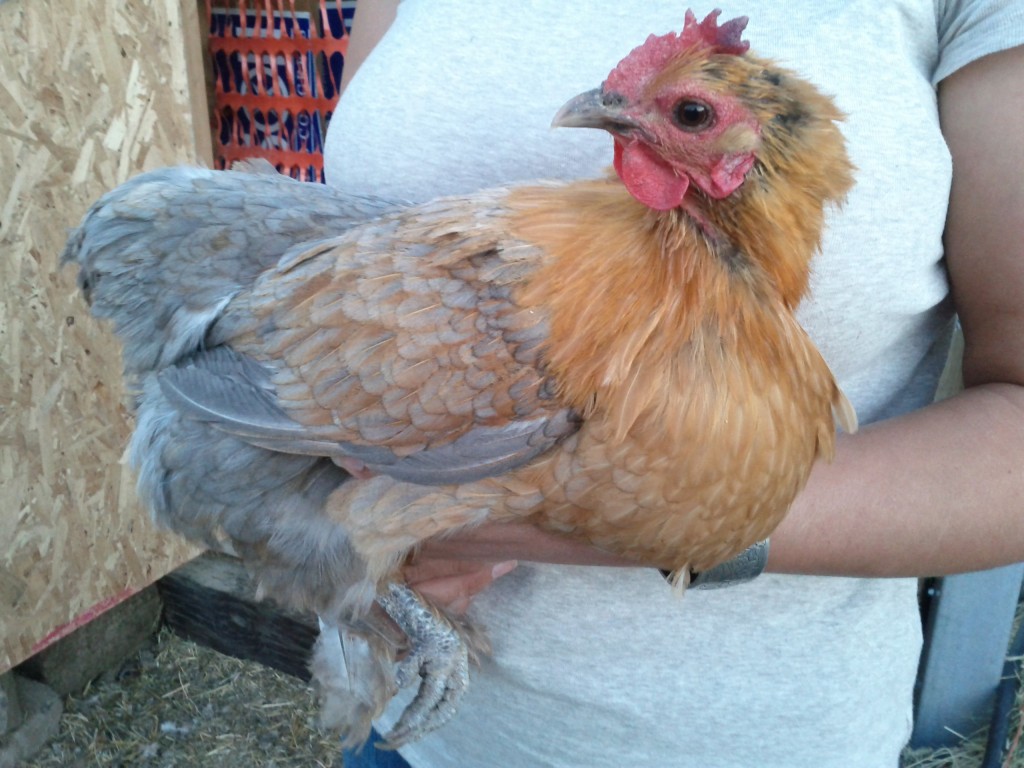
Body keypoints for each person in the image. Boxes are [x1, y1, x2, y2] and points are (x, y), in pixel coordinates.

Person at [322, 2, 1024, 766]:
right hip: (417, 716)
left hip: (756, 739)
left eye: (690, 112)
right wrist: (345, 492)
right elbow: (340, 259)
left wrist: (565, 508)